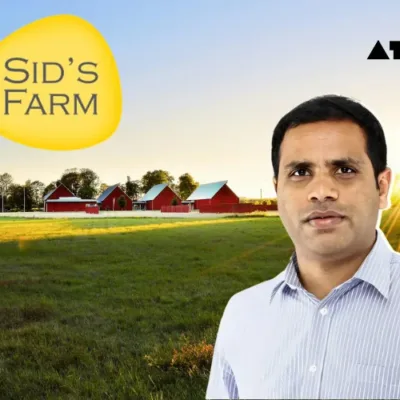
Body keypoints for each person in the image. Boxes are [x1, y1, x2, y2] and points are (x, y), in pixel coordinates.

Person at [205, 94, 400, 399]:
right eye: (300, 172)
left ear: (383, 188)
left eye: (344, 170)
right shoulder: (243, 314)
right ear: (278, 191)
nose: (321, 191)